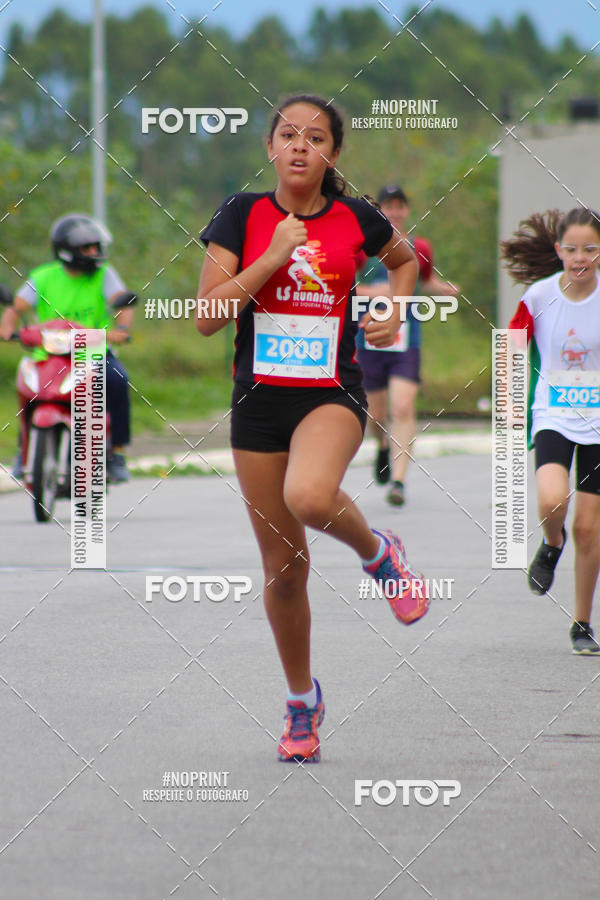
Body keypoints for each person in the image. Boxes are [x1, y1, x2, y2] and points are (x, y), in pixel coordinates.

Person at [196, 93, 430, 763]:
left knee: (309, 495)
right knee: (285, 570)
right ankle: (302, 704)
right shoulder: (241, 215)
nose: (301, 145)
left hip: (330, 392)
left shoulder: (357, 217)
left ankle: (379, 553)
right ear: (270, 147)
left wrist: (394, 307)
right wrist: (269, 258)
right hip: (259, 402)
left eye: (316, 137)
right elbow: (208, 316)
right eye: (288, 134)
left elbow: (406, 259)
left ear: (333, 154)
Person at [502, 207, 600, 655]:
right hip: (553, 416)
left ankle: (581, 622)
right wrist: (510, 415)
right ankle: (550, 542)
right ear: (559, 250)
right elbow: (512, 352)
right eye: (573, 249)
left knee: (589, 528)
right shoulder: (539, 298)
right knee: (551, 500)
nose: (581, 258)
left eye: (591, 249)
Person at [0, 214, 133, 483]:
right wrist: (6, 328)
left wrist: (122, 331)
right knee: (30, 391)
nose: (95, 253)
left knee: (117, 380)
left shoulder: (104, 275)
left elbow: (122, 303)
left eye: (96, 247)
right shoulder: (42, 277)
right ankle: (23, 452)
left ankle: (116, 453)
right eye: (88, 248)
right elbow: (15, 308)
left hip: (93, 350)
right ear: (67, 250)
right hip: (49, 353)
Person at [355, 185, 459, 505]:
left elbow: (423, 282)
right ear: (380, 211)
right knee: (376, 414)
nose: (395, 212)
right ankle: (382, 447)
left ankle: (399, 481)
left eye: (400, 207)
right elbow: (349, 287)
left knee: (403, 407)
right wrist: (380, 293)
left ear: (407, 211)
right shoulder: (361, 247)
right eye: (389, 207)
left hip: (405, 339)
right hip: (370, 336)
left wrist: (445, 291)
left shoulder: (419, 248)